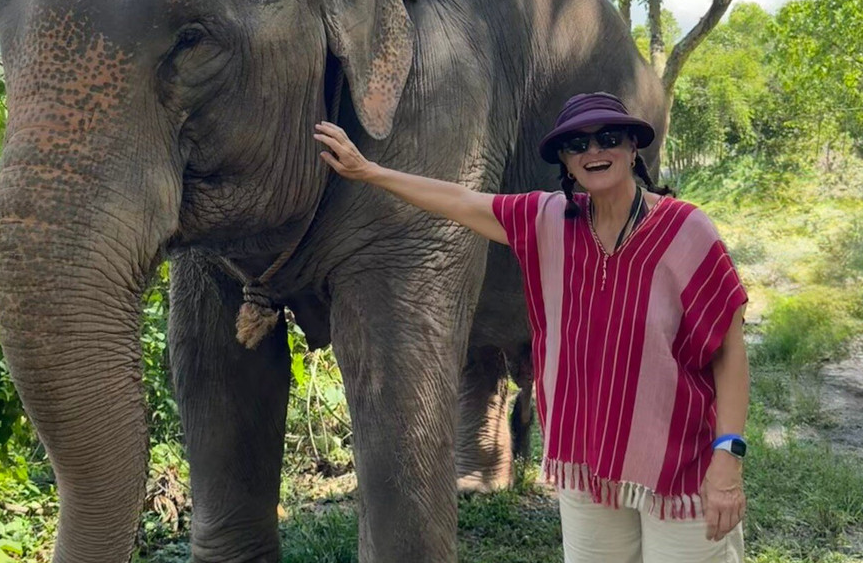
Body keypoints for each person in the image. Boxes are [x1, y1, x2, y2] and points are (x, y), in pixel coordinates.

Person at [313, 92, 749, 563]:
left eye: (608, 138)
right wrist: (368, 171)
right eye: (578, 145)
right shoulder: (548, 222)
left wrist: (727, 458)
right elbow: (460, 200)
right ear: (564, 160)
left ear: (632, 148)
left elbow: (728, 352)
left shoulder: (687, 230)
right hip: (588, 463)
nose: (594, 152)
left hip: (677, 466)